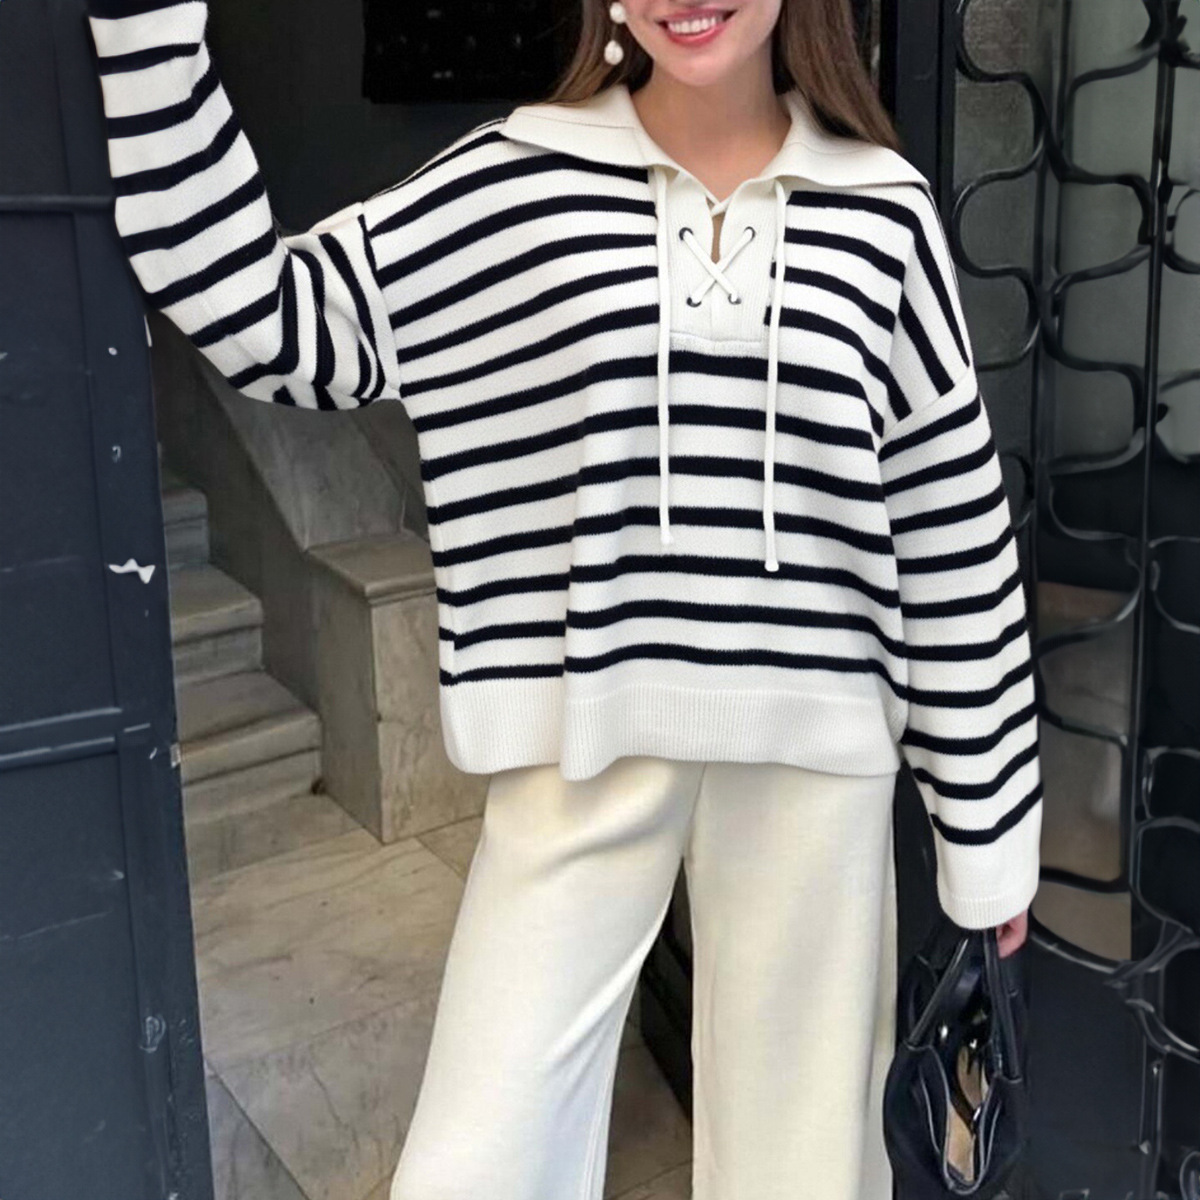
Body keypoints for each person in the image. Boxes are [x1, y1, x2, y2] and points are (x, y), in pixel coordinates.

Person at [84, 0, 1043, 1195]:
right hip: (579, 740)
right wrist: (149, 33)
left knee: (802, 1166)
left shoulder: (882, 213)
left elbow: (952, 535)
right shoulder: (517, 184)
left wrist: (987, 834)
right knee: (481, 1156)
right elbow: (269, 318)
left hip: (816, 758)